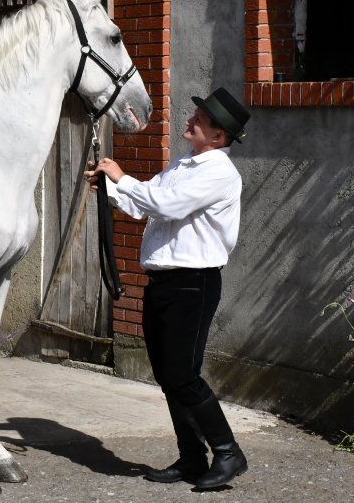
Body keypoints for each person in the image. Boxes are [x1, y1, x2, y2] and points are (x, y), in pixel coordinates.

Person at [85, 87, 251, 490]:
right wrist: (110, 188)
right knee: (167, 375)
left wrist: (122, 177)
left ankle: (228, 453)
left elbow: (168, 205)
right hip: (164, 282)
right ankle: (192, 458)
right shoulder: (183, 165)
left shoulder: (218, 171)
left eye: (202, 119)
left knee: (183, 375)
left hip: (193, 283)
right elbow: (146, 205)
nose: (191, 119)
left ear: (218, 137)